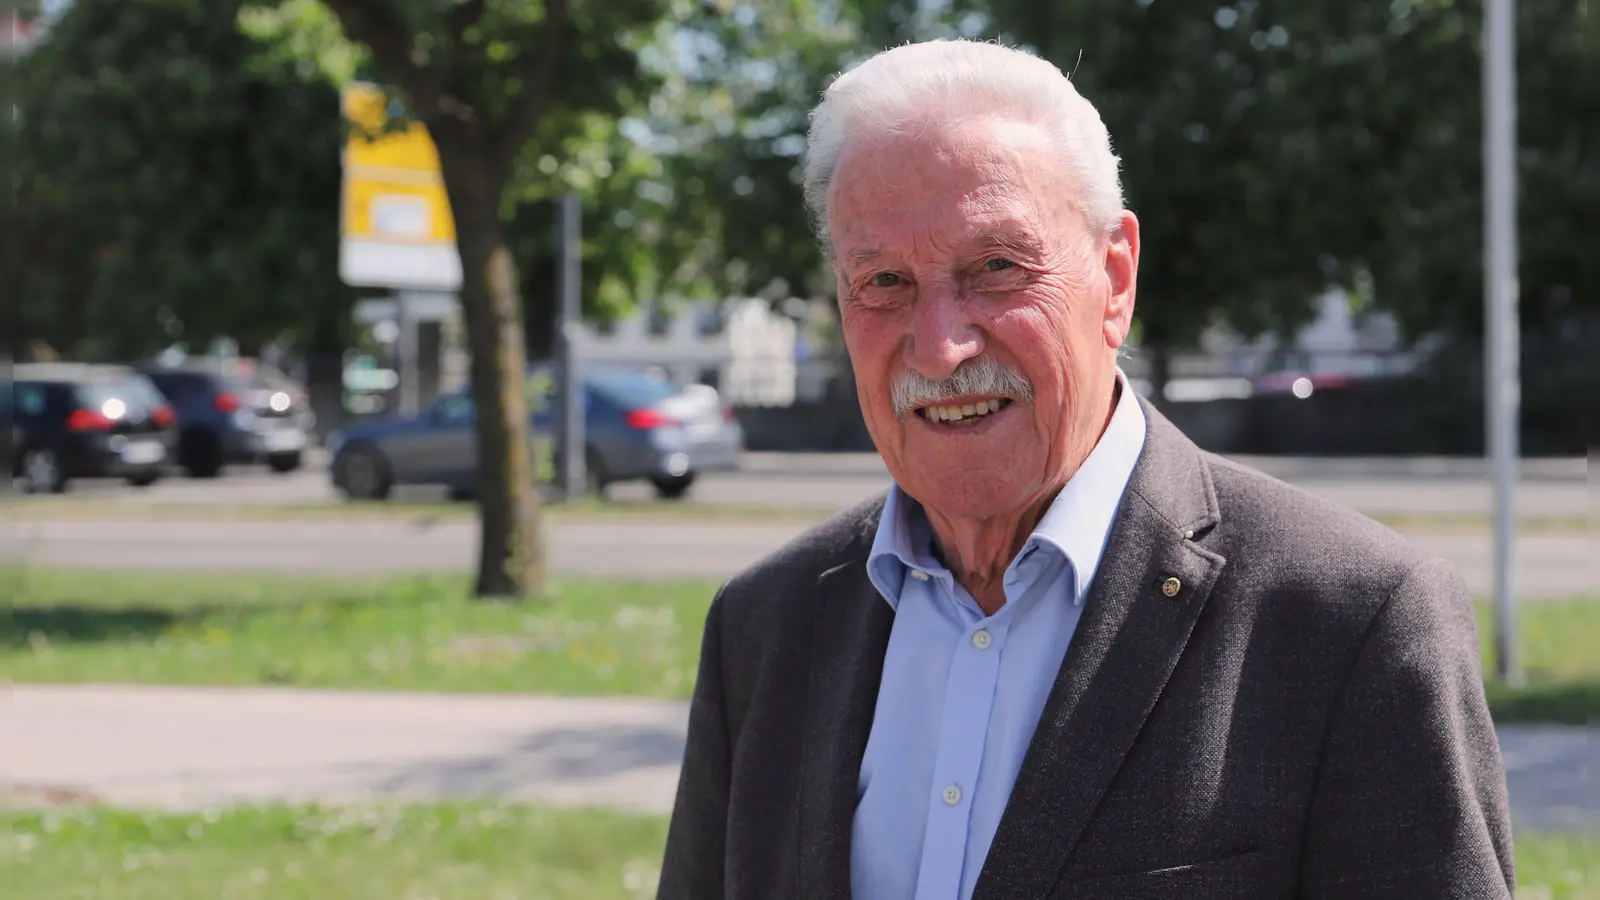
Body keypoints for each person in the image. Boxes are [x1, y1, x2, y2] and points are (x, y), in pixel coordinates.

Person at [657, 39, 1513, 900]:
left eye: (996, 267)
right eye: (884, 281)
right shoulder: (764, 628)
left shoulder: (1349, 624)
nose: (942, 347)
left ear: (1115, 277)